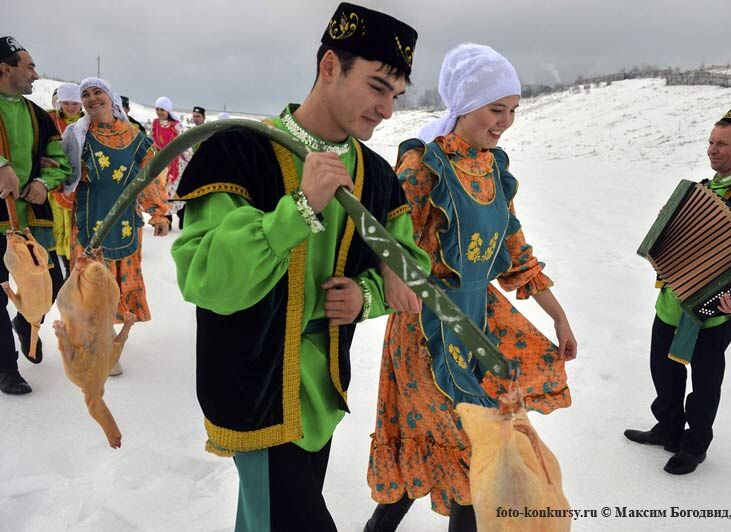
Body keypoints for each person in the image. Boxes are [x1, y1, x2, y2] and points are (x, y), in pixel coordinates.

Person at [171, 3, 426, 531]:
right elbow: (204, 278)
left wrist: (368, 296)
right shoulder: (238, 152)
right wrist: (299, 209)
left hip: (322, 391)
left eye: (396, 95)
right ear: (330, 66)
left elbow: (410, 268)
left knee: (265, 520)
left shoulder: (377, 177)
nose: (387, 109)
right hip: (255, 384)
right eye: (377, 87)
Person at [364, 43, 577, 532]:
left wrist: (559, 316)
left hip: (479, 325)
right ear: (465, 104)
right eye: (496, 109)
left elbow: (517, 254)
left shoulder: (494, 169)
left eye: (513, 110)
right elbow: (386, 244)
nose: (505, 122)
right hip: (426, 330)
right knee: (466, 445)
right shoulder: (423, 167)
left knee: (460, 446)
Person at [624, 108, 731, 475]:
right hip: (671, 301)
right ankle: (667, 428)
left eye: (722, 144)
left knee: (705, 381)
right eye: (711, 142)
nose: (712, 149)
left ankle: (695, 446)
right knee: (663, 370)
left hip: (715, 309)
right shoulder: (699, 189)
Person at [60, 77, 170, 377]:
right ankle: (99, 342)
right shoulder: (76, 135)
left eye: (98, 92)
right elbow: (63, 173)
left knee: (115, 283)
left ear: (111, 98)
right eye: (85, 94)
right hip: (89, 216)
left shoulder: (134, 136)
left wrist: (158, 213)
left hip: (124, 219)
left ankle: (106, 340)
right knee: (91, 280)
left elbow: (148, 175)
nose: (91, 98)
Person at [0, 36, 71, 395]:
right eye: (29, 67)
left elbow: (60, 163)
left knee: (52, 281)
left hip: (32, 217)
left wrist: (44, 182)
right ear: (5, 68)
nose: (36, 74)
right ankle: (6, 368)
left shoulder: (40, 117)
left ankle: (26, 320)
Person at [48, 82, 84, 276]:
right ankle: (61, 264)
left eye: (75, 103)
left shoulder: (87, 122)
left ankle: (74, 266)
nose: (70, 107)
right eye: (66, 103)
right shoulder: (49, 119)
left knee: (75, 226)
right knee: (58, 224)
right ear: (59, 102)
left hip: (80, 183)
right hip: (55, 182)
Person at [151, 96, 189, 229]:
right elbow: (154, 141)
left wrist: (189, 158)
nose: (159, 112)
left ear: (168, 110)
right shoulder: (155, 123)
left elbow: (185, 143)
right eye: (157, 109)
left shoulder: (177, 126)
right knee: (162, 192)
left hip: (176, 163)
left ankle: (183, 218)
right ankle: (166, 220)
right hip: (163, 162)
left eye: (162, 109)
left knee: (176, 192)